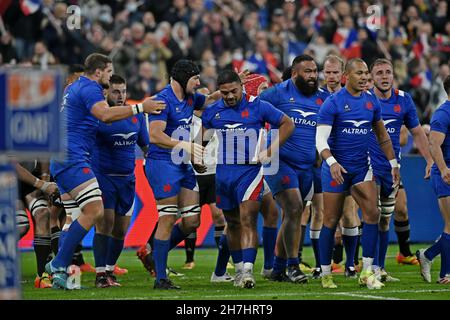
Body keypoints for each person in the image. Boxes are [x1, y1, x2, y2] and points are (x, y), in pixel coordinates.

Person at [46, 53, 165, 289]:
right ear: (99, 72)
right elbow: (104, 115)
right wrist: (141, 107)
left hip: (66, 157)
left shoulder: (73, 87)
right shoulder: (90, 88)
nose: (110, 79)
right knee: (95, 209)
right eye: (109, 72)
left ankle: (59, 270)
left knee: (74, 216)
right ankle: (58, 263)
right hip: (73, 158)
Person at [202, 70, 294, 288]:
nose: (230, 96)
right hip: (224, 173)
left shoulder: (258, 105)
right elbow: (202, 137)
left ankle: (248, 271)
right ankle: (239, 268)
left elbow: (287, 124)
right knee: (232, 223)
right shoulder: (213, 111)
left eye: (233, 91)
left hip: (250, 171)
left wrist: (271, 150)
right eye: (225, 93)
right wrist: (198, 154)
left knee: (247, 219)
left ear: (241, 87)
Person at [316, 58, 400, 289]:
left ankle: (366, 271)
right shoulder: (333, 103)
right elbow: (320, 139)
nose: (364, 77)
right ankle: (325, 274)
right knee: (331, 221)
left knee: (373, 214)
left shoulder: (371, 101)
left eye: (366, 74)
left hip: (362, 168)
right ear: (346, 76)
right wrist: (332, 162)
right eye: (359, 73)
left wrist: (394, 164)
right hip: (335, 170)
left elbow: (382, 136)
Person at [145, 59, 222, 289]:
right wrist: (187, 146)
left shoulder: (190, 97)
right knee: (167, 218)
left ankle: (154, 253)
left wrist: (234, 86)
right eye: (195, 78)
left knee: (192, 221)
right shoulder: (162, 100)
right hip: (162, 164)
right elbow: (155, 136)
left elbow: (208, 101)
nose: (198, 83)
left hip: (182, 164)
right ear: (181, 78)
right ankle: (161, 278)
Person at [259, 55, 329, 283]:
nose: (312, 76)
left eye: (314, 71)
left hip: (307, 165)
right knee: (295, 208)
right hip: (279, 161)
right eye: (307, 71)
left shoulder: (323, 99)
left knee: (292, 214)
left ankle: (277, 268)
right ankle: (293, 266)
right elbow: (251, 107)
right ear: (295, 73)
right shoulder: (278, 93)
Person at [369, 58, 433, 281]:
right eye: (379, 73)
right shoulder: (364, 99)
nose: (384, 76)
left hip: (391, 168)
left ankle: (379, 267)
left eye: (388, 72)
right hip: (366, 167)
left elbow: (416, 132)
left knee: (387, 217)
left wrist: (429, 160)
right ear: (371, 77)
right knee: (370, 216)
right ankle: (354, 264)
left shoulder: (404, 100)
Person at [90, 74, 150, 287]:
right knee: (104, 226)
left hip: (128, 180)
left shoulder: (136, 116)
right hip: (104, 179)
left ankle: (108, 271)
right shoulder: (99, 116)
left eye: (123, 91)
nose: (120, 96)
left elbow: (146, 146)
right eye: (116, 91)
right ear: (106, 92)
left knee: (120, 230)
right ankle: (99, 275)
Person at [242, 73, 280, 278]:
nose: (267, 91)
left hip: (264, 170)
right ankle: (224, 269)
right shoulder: (244, 111)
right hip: (244, 172)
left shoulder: (264, 111)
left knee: (272, 213)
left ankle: (268, 267)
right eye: (262, 88)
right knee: (240, 221)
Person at [416, 75, 450, 284]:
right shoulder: (443, 113)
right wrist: (444, 168)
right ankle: (445, 274)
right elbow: (433, 144)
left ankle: (428, 255)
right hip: (446, 172)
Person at [15, 162, 59, 288]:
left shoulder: (36, 141)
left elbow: (43, 156)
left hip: (30, 180)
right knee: (21, 226)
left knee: (43, 213)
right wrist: (43, 185)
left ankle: (42, 276)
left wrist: (45, 181)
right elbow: (12, 165)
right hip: (7, 182)